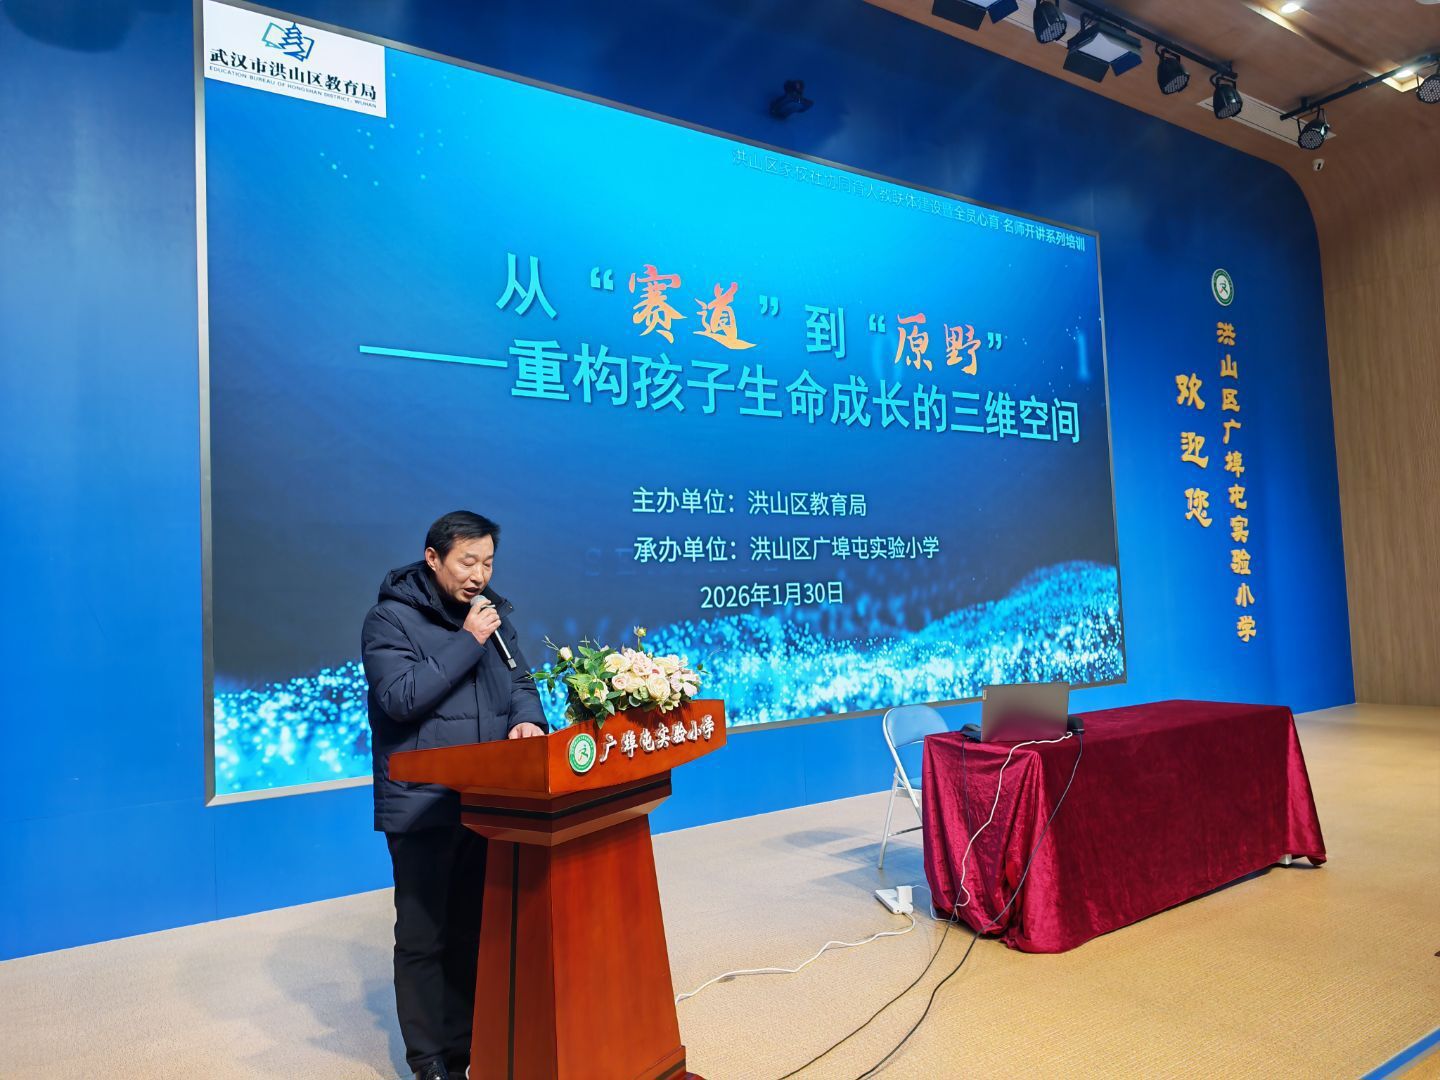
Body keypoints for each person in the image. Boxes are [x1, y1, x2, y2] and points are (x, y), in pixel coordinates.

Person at [362, 510, 547, 1080]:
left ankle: (466, 1049)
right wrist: (469, 641)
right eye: (468, 562)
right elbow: (400, 698)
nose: (479, 575)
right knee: (424, 937)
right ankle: (428, 1061)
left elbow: (519, 682)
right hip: (422, 803)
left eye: (488, 563)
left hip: (485, 798)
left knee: (472, 929)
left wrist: (527, 720)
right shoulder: (389, 620)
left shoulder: (492, 616)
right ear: (433, 557)